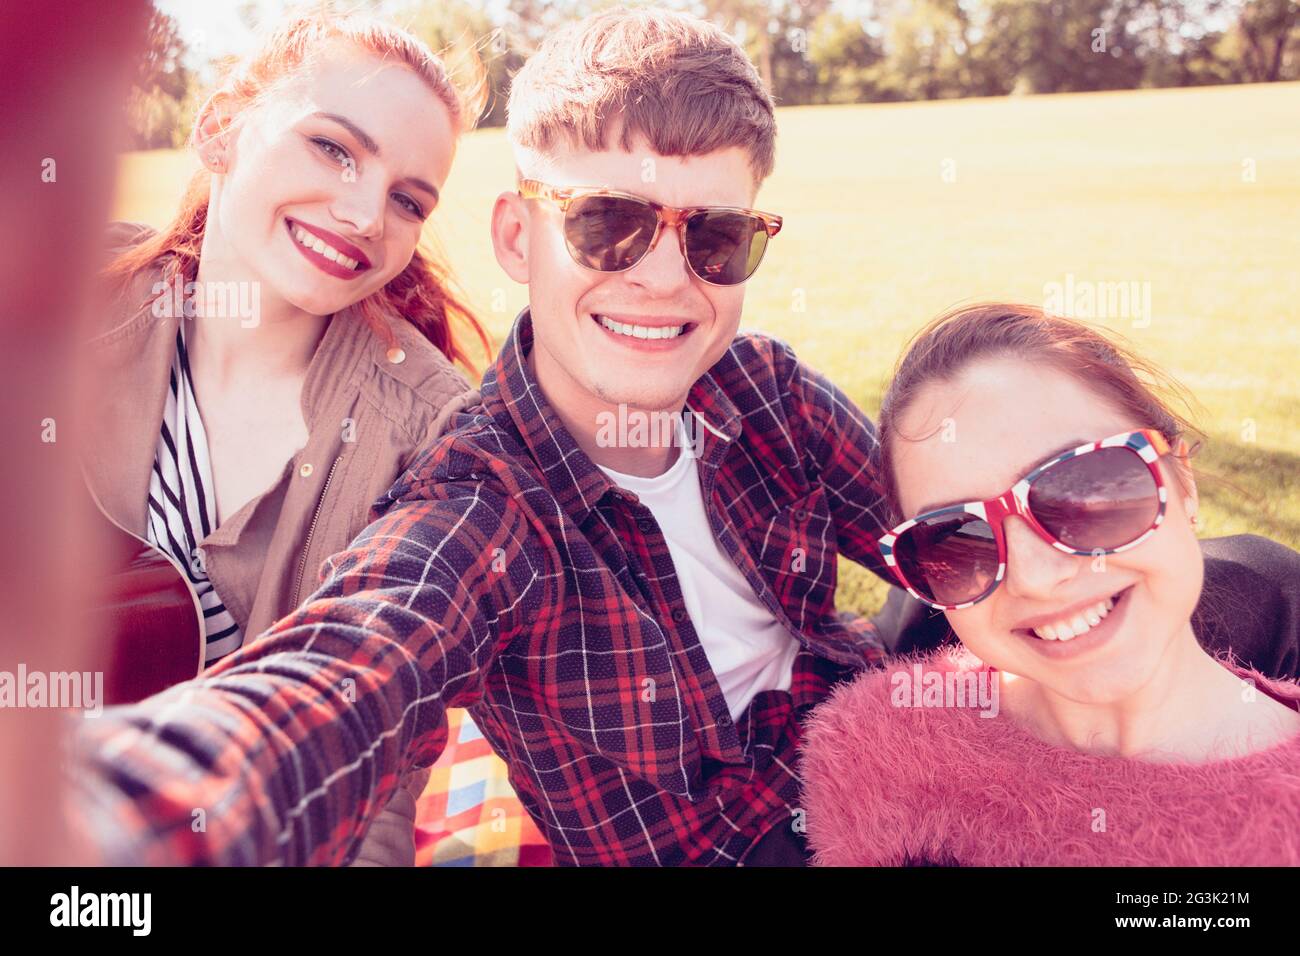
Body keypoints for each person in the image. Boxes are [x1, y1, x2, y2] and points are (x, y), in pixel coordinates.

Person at [70, 10, 1300, 867]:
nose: (665, 281)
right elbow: (344, 673)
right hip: (761, 843)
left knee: (1254, 574)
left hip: (867, 699)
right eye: (607, 225)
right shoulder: (480, 501)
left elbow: (936, 535)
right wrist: (102, 809)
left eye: (713, 239)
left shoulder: (749, 386)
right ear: (517, 239)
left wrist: (1082, 561)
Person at [86, 10, 489, 865]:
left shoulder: (426, 429)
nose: (363, 213)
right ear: (222, 126)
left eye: (407, 199)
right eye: (335, 149)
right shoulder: (77, 298)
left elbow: (377, 756)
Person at [799, 304, 1300, 866]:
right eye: (955, 540)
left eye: (1084, 491)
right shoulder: (871, 751)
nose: (1038, 578)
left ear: (1182, 483)